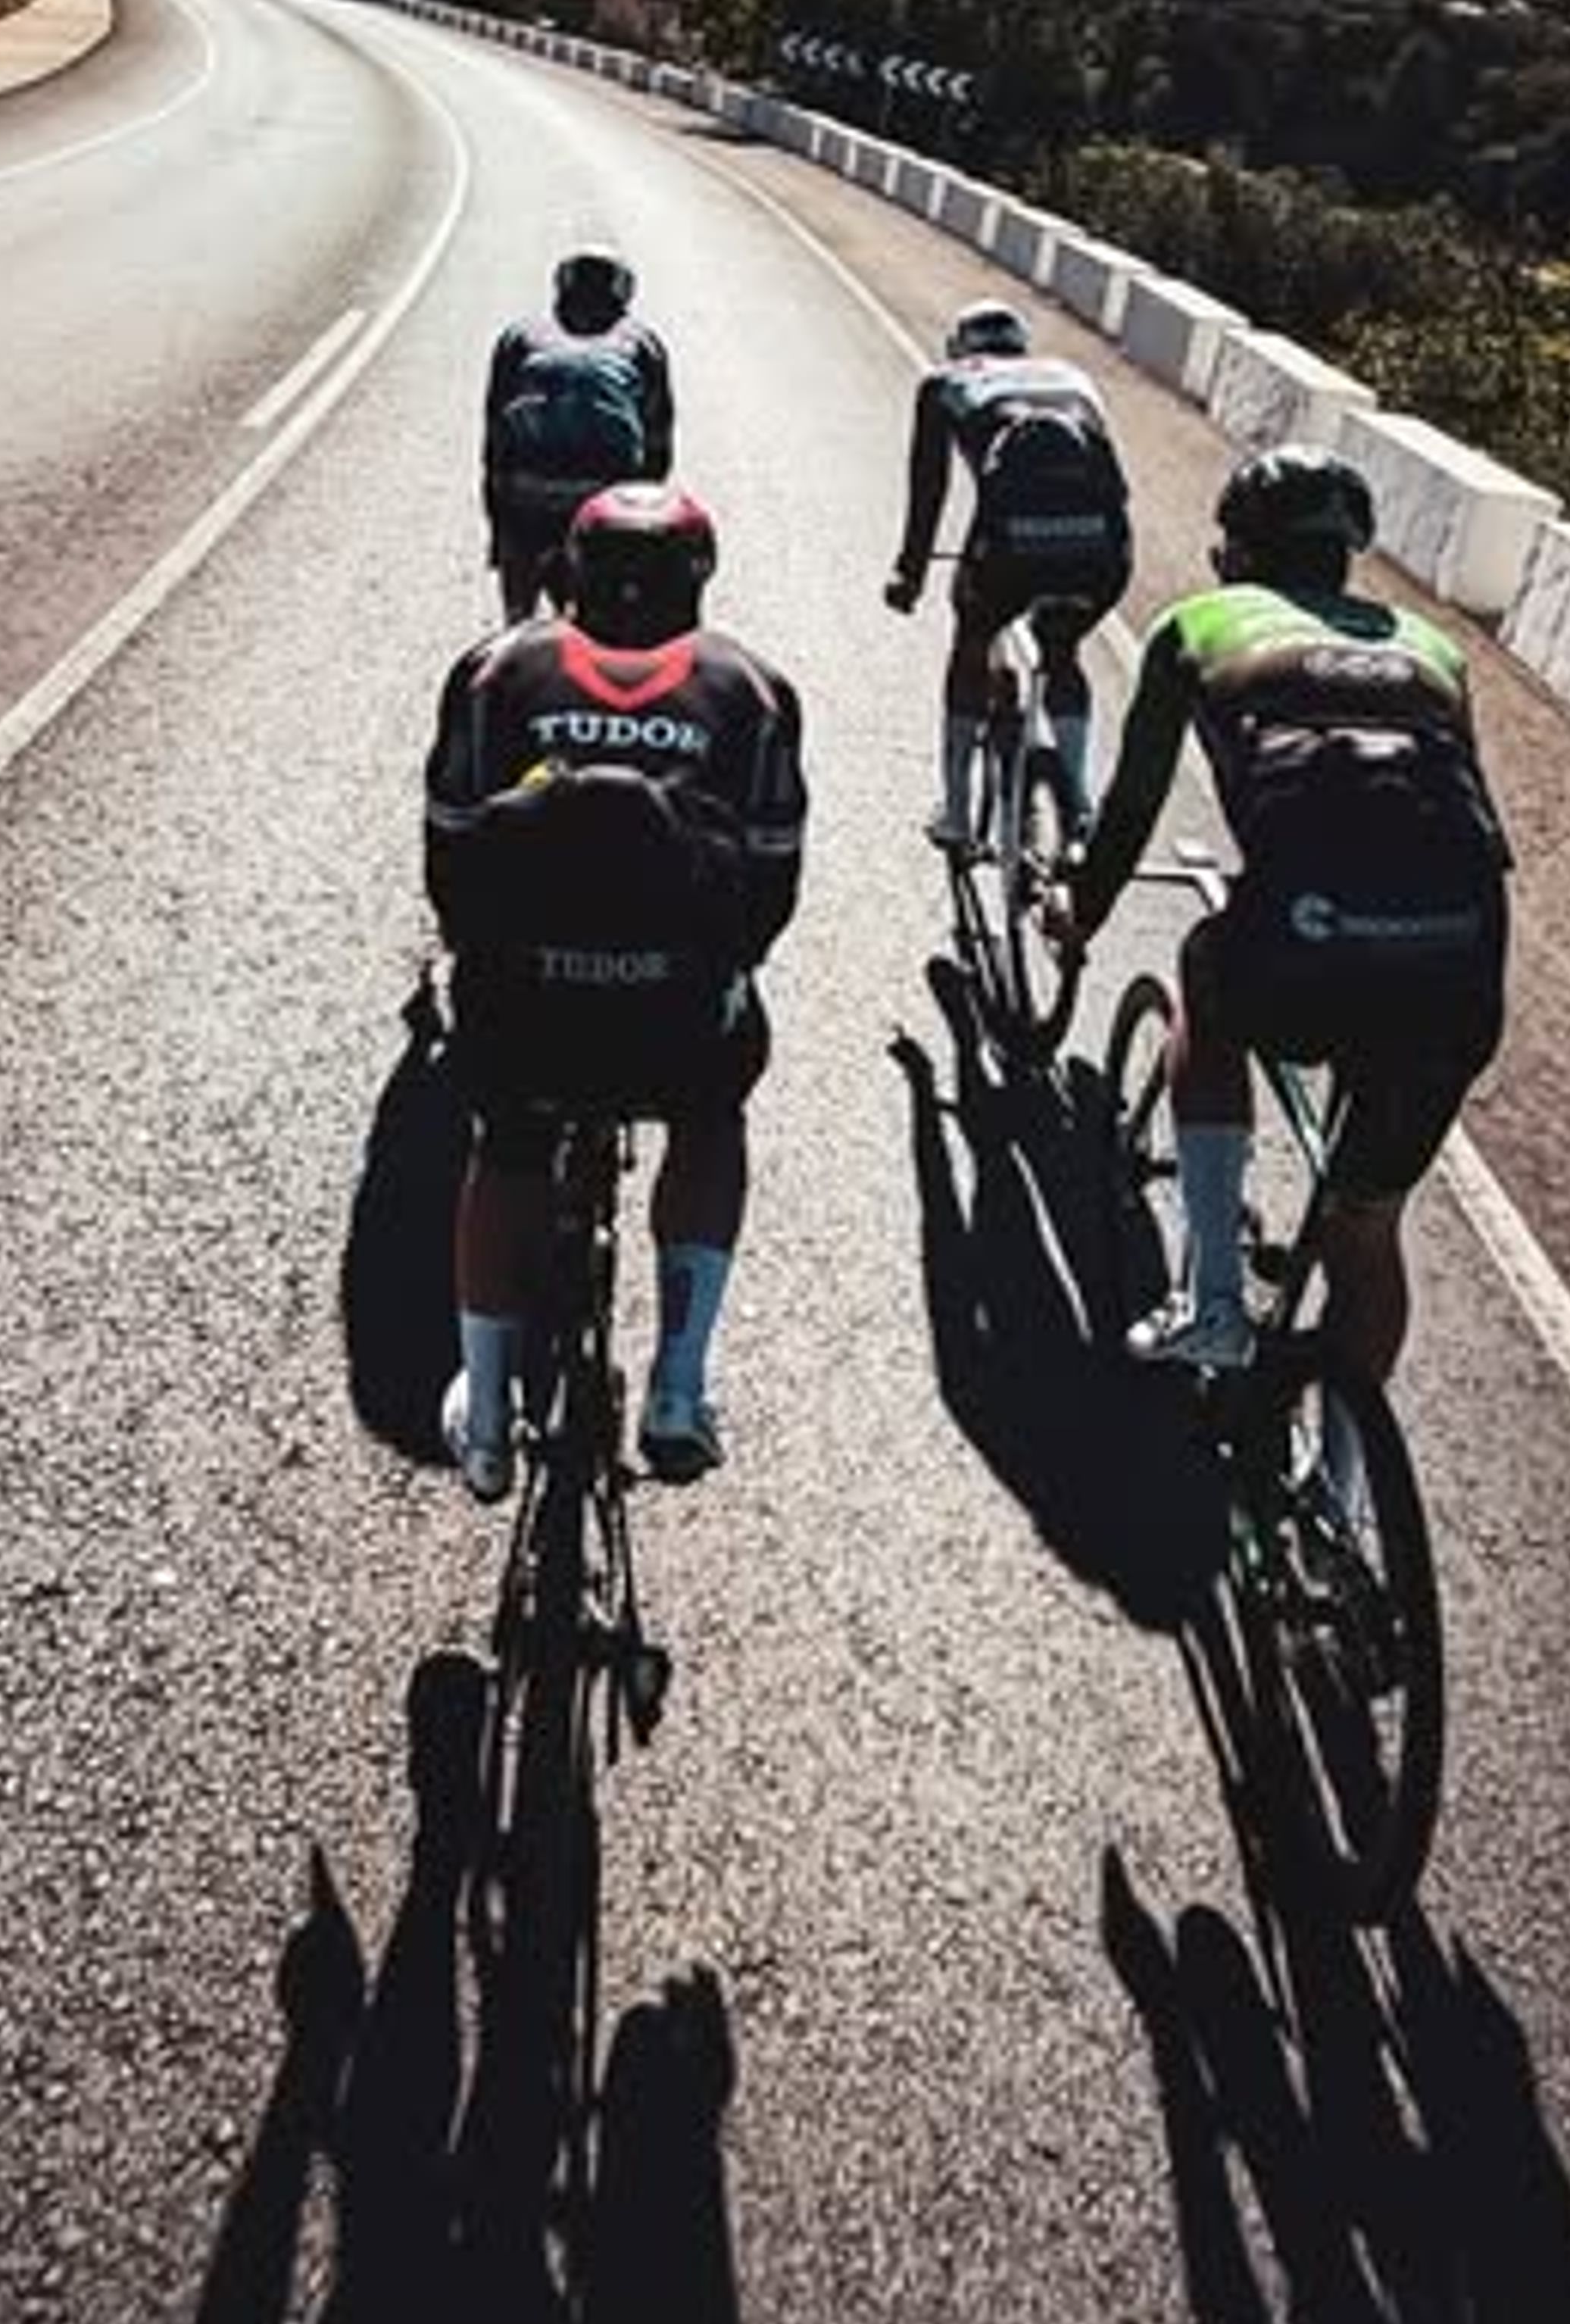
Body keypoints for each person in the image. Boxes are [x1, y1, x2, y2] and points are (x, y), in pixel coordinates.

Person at [1066, 447, 1511, 1387]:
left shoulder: (1196, 624)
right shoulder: (1435, 650)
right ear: (1348, 554)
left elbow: (1131, 808)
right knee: (1366, 1218)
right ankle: (1350, 1487)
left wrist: (1081, 915)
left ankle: (1215, 1302)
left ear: (1237, 547)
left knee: (1208, 972)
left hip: (1307, 950)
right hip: (1461, 963)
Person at [423, 479, 807, 1495]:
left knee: (504, 1148)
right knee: (713, 1122)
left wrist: (491, 960)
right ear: (700, 580)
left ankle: (488, 1415)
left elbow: (450, 856)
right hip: (674, 1021)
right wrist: (716, 969)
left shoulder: (495, 670)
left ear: (571, 575)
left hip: (528, 1013)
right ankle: (679, 1385)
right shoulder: (752, 687)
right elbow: (771, 885)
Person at [884, 298, 1131, 849]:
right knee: (1062, 649)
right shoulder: (1072, 377)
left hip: (1009, 552)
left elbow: (930, 489)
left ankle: (955, 813)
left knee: (972, 642)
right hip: (1103, 551)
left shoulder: (945, 382)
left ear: (960, 347)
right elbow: (1114, 479)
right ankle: (1079, 800)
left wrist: (911, 573)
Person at [480, 246, 676, 620]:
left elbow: (495, 443)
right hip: (606, 502)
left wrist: (499, 530)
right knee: (601, 622)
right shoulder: (643, 343)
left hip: (527, 497)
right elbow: (658, 446)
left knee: (519, 622)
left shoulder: (519, 337)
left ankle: (517, 631)